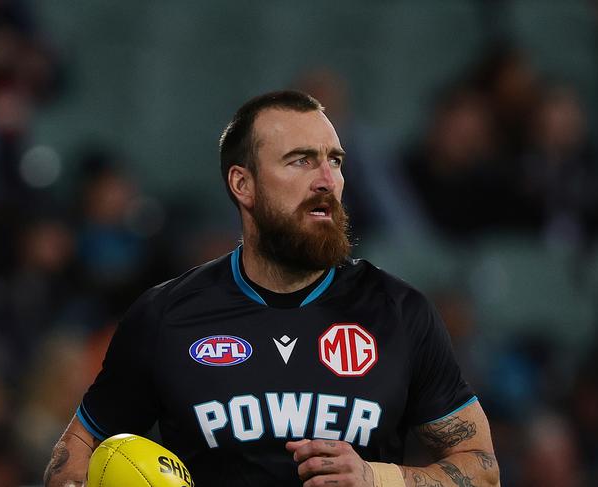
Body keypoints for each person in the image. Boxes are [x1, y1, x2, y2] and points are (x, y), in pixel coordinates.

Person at [44, 90, 500, 486]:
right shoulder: (165, 316)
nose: (327, 180)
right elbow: (73, 457)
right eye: (301, 160)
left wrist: (376, 478)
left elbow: (481, 470)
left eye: (335, 161)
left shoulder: (399, 312)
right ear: (243, 184)